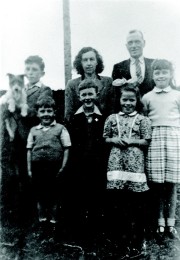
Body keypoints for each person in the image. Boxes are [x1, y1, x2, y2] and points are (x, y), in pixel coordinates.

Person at [103, 83, 151, 258]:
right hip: (116, 165)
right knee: (118, 205)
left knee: (136, 206)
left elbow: (146, 140)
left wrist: (131, 141)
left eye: (132, 100)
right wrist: (114, 139)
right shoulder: (111, 118)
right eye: (125, 99)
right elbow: (105, 138)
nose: (128, 103)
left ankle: (137, 242)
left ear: (137, 101)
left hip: (135, 165)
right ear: (120, 100)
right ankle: (119, 242)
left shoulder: (142, 119)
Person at [142, 59, 180, 240]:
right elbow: (143, 120)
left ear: (171, 74)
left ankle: (171, 223)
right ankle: (160, 223)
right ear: (152, 75)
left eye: (165, 72)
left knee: (172, 183)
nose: (161, 76)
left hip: (173, 140)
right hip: (155, 139)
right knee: (157, 184)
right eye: (157, 73)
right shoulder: (147, 97)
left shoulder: (177, 95)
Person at [67, 79, 107, 242]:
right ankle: (79, 231)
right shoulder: (73, 119)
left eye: (90, 94)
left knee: (96, 196)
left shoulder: (103, 117)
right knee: (80, 196)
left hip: (97, 164)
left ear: (96, 95)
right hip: (79, 165)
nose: (87, 97)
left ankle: (96, 230)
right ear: (78, 96)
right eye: (84, 94)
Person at [27, 96, 71, 225]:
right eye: (42, 111)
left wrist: (63, 167)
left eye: (49, 111)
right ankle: (42, 220)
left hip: (54, 167)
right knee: (40, 195)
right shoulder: (33, 130)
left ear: (54, 112)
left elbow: (67, 148)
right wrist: (29, 169)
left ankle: (53, 221)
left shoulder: (60, 128)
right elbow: (29, 150)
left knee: (54, 195)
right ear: (37, 113)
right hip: (38, 167)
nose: (46, 114)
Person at [65, 47, 116, 122]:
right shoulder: (72, 84)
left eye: (91, 59)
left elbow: (112, 111)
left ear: (97, 62)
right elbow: (68, 114)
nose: (88, 63)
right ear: (80, 63)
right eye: (85, 60)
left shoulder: (108, 82)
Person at [112, 30, 154, 97]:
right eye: (130, 43)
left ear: (144, 43)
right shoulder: (118, 67)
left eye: (137, 42)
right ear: (126, 46)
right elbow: (116, 94)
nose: (133, 46)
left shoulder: (154, 64)